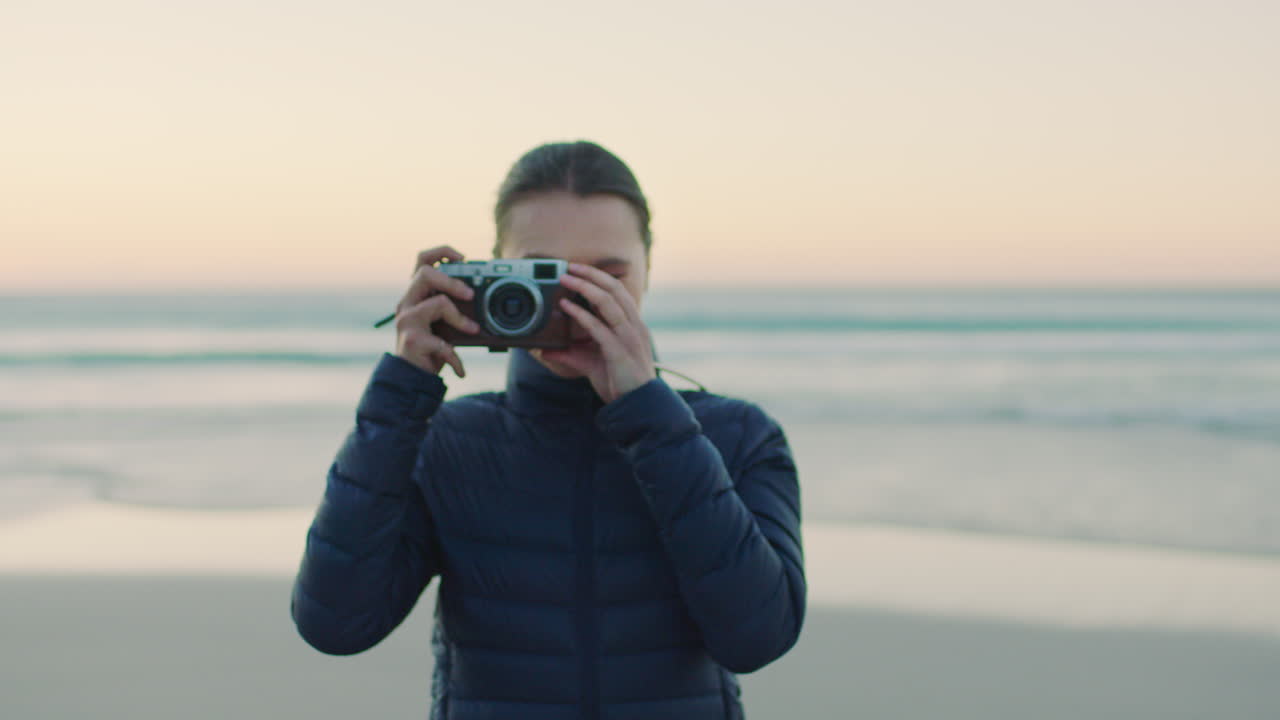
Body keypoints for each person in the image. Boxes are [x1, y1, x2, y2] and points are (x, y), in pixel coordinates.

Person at [290, 140, 805, 719]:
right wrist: (402, 389)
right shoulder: (449, 440)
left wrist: (651, 420)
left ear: (648, 271)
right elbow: (335, 623)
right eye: (543, 276)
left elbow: (758, 637)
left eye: (603, 278)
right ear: (491, 272)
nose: (569, 303)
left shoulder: (737, 436)